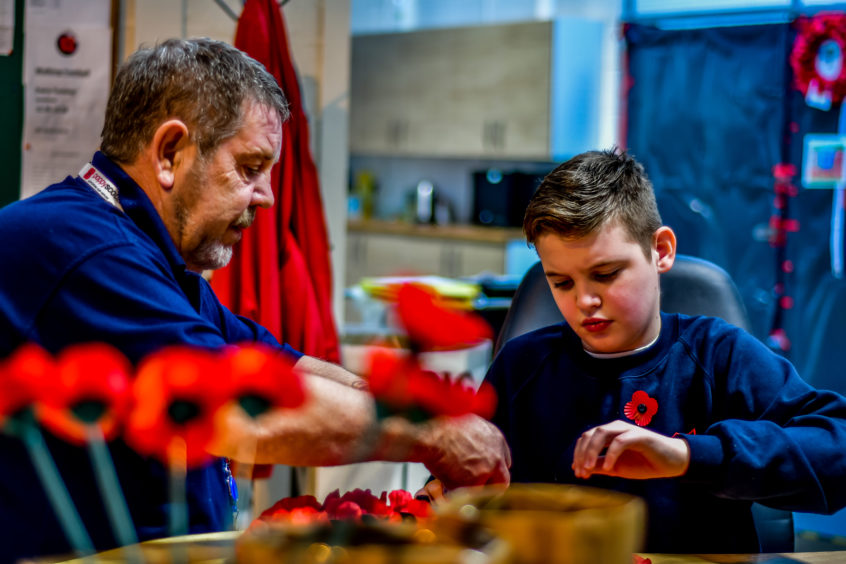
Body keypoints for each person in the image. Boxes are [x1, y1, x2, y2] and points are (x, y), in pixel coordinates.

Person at [0, 38, 510, 561]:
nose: (267, 196)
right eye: (249, 168)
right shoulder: (88, 250)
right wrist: (427, 436)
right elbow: (241, 408)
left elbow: (271, 366)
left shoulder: (141, 248)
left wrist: (406, 404)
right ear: (170, 152)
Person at [423, 149, 846, 553]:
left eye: (605, 274)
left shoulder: (720, 356)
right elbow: (456, 485)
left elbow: (838, 450)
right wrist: (441, 496)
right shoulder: (522, 367)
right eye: (562, 283)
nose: (585, 301)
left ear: (660, 251)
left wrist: (687, 455)